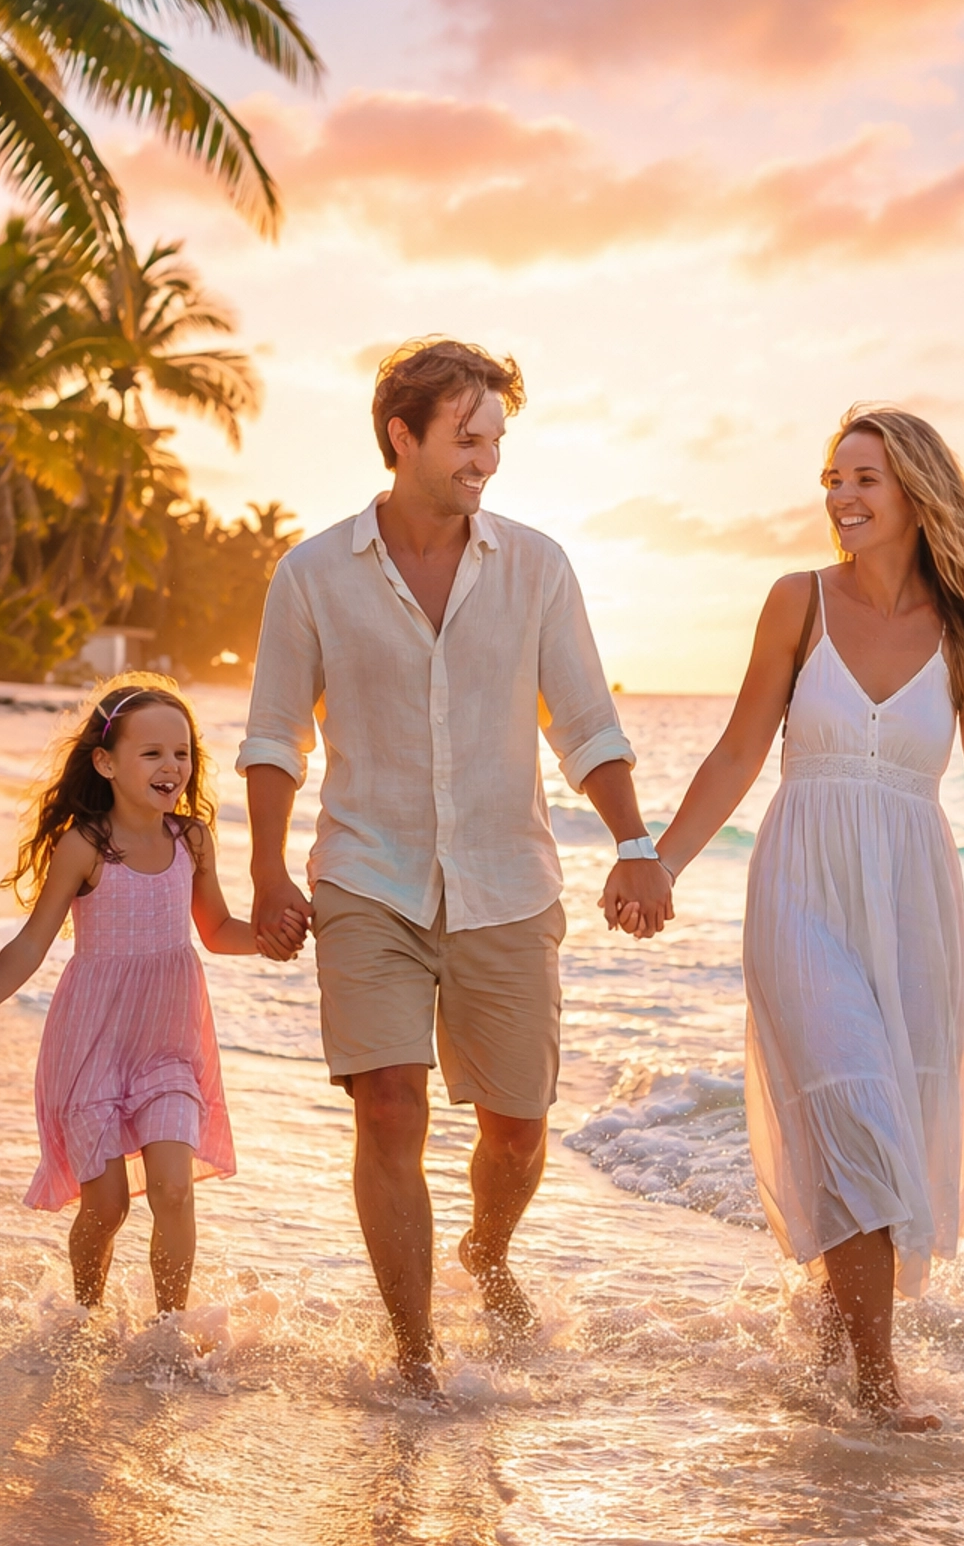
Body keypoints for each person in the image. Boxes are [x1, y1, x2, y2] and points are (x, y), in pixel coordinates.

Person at [242, 337, 669, 1400]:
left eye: (496, 440)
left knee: (516, 1131)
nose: (486, 459)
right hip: (366, 877)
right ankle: (416, 1358)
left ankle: (487, 1249)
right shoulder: (311, 574)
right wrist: (267, 869)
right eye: (466, 438)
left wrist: (635, 844)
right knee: (389, 1105)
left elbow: (586, 723)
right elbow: (275, 735)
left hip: (506, 882)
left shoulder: (537, 567)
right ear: (404, 436)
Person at [635, 405, 964, 1426]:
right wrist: (660, 861)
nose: (842, 496)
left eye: (864, 478)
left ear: (916, 490)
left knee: (890, 1122)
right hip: (801, 889)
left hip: (913, 899)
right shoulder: (798, 602)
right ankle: (878, 1386)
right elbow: (741, 749)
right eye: (833, 478)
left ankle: (830, 1339)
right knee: (855, 1104)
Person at [0, 678, 258, 1315]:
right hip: (92, 1049)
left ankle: (169, 1330)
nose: (172, 767)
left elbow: (219, 931)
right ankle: (85, 1316)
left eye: (183, 753)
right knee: (105, 1208)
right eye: (152, 753)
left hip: (170, 1047)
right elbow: (32, 941)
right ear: (106, 763)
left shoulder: (191, 839)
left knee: (173, 1189)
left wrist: (274, 937)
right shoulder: (85, 845)